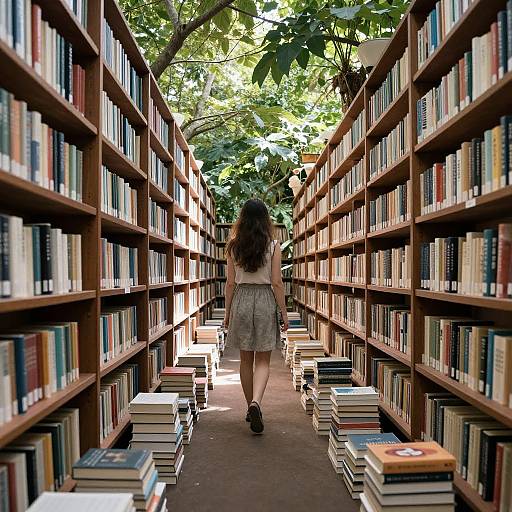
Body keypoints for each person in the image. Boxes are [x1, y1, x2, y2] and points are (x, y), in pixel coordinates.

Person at [224, 199, 289, 434]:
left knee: (245, 360)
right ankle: (256, 403)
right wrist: (283, 312)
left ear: (242, 218)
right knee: (263, 360)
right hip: (263, 300)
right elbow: (277, 283)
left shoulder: (233, 246)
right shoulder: (273, 246)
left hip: (241, 299)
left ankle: (249, 405)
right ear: (265, 220)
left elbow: (230, 283)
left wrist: (228, 312)